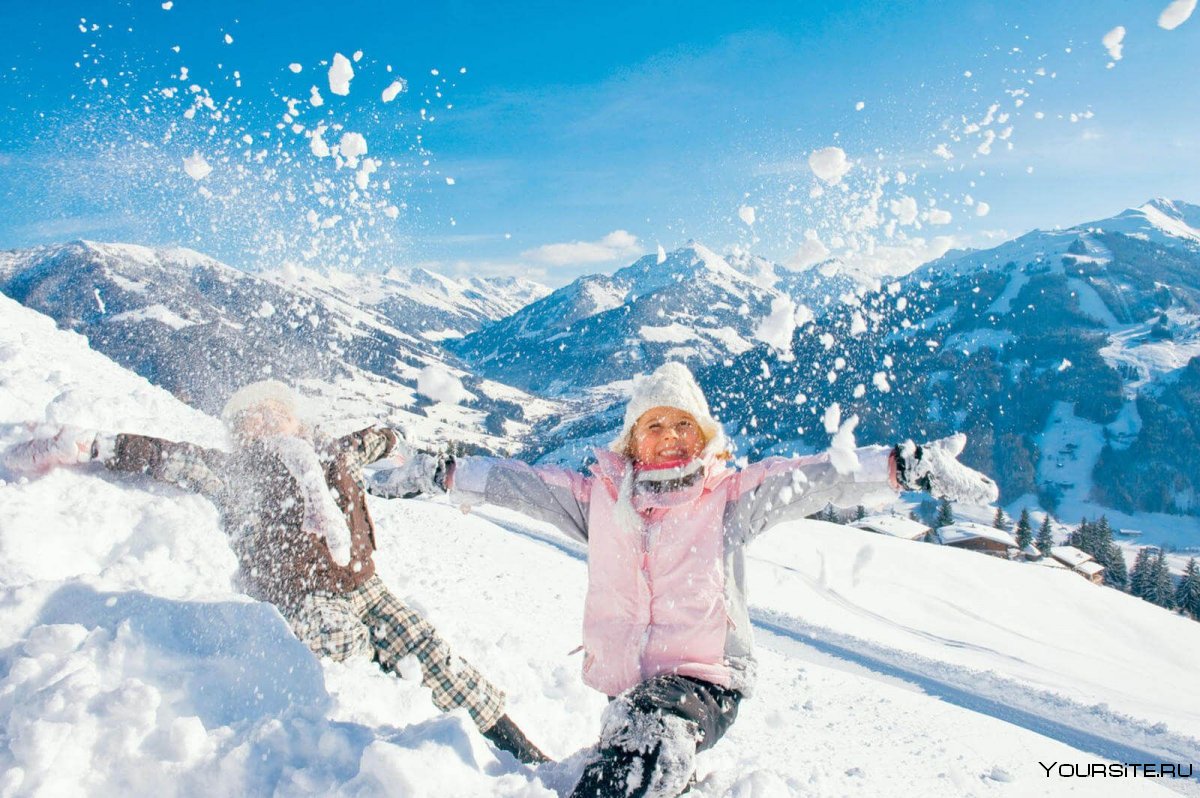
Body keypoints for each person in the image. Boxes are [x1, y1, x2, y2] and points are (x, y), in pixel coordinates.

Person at [376, 361, 998, 798]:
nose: (670, 439)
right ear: (633, 441)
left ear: (702, 437)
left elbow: (813, 479)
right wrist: (440, 473)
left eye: (684, 427)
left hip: (706, 684)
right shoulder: (602, 501)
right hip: (634, 689)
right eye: (655, 426)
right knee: (636, 739)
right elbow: (520, 484)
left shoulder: (727, 499)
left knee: (649, 732)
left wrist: (901, 466)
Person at [2, 379, 547, 765]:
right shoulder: (234, 472)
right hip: (303, 597)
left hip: (367, 586)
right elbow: (168, 456)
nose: (265, 422)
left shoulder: (332, 452)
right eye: (250, 419)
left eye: (276, 413)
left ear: (299, 422)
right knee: (341, 643)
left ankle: (518, 749)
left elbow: (374, 439)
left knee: (433, 653)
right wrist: (98, 445)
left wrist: (392, 438)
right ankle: (380, 718)